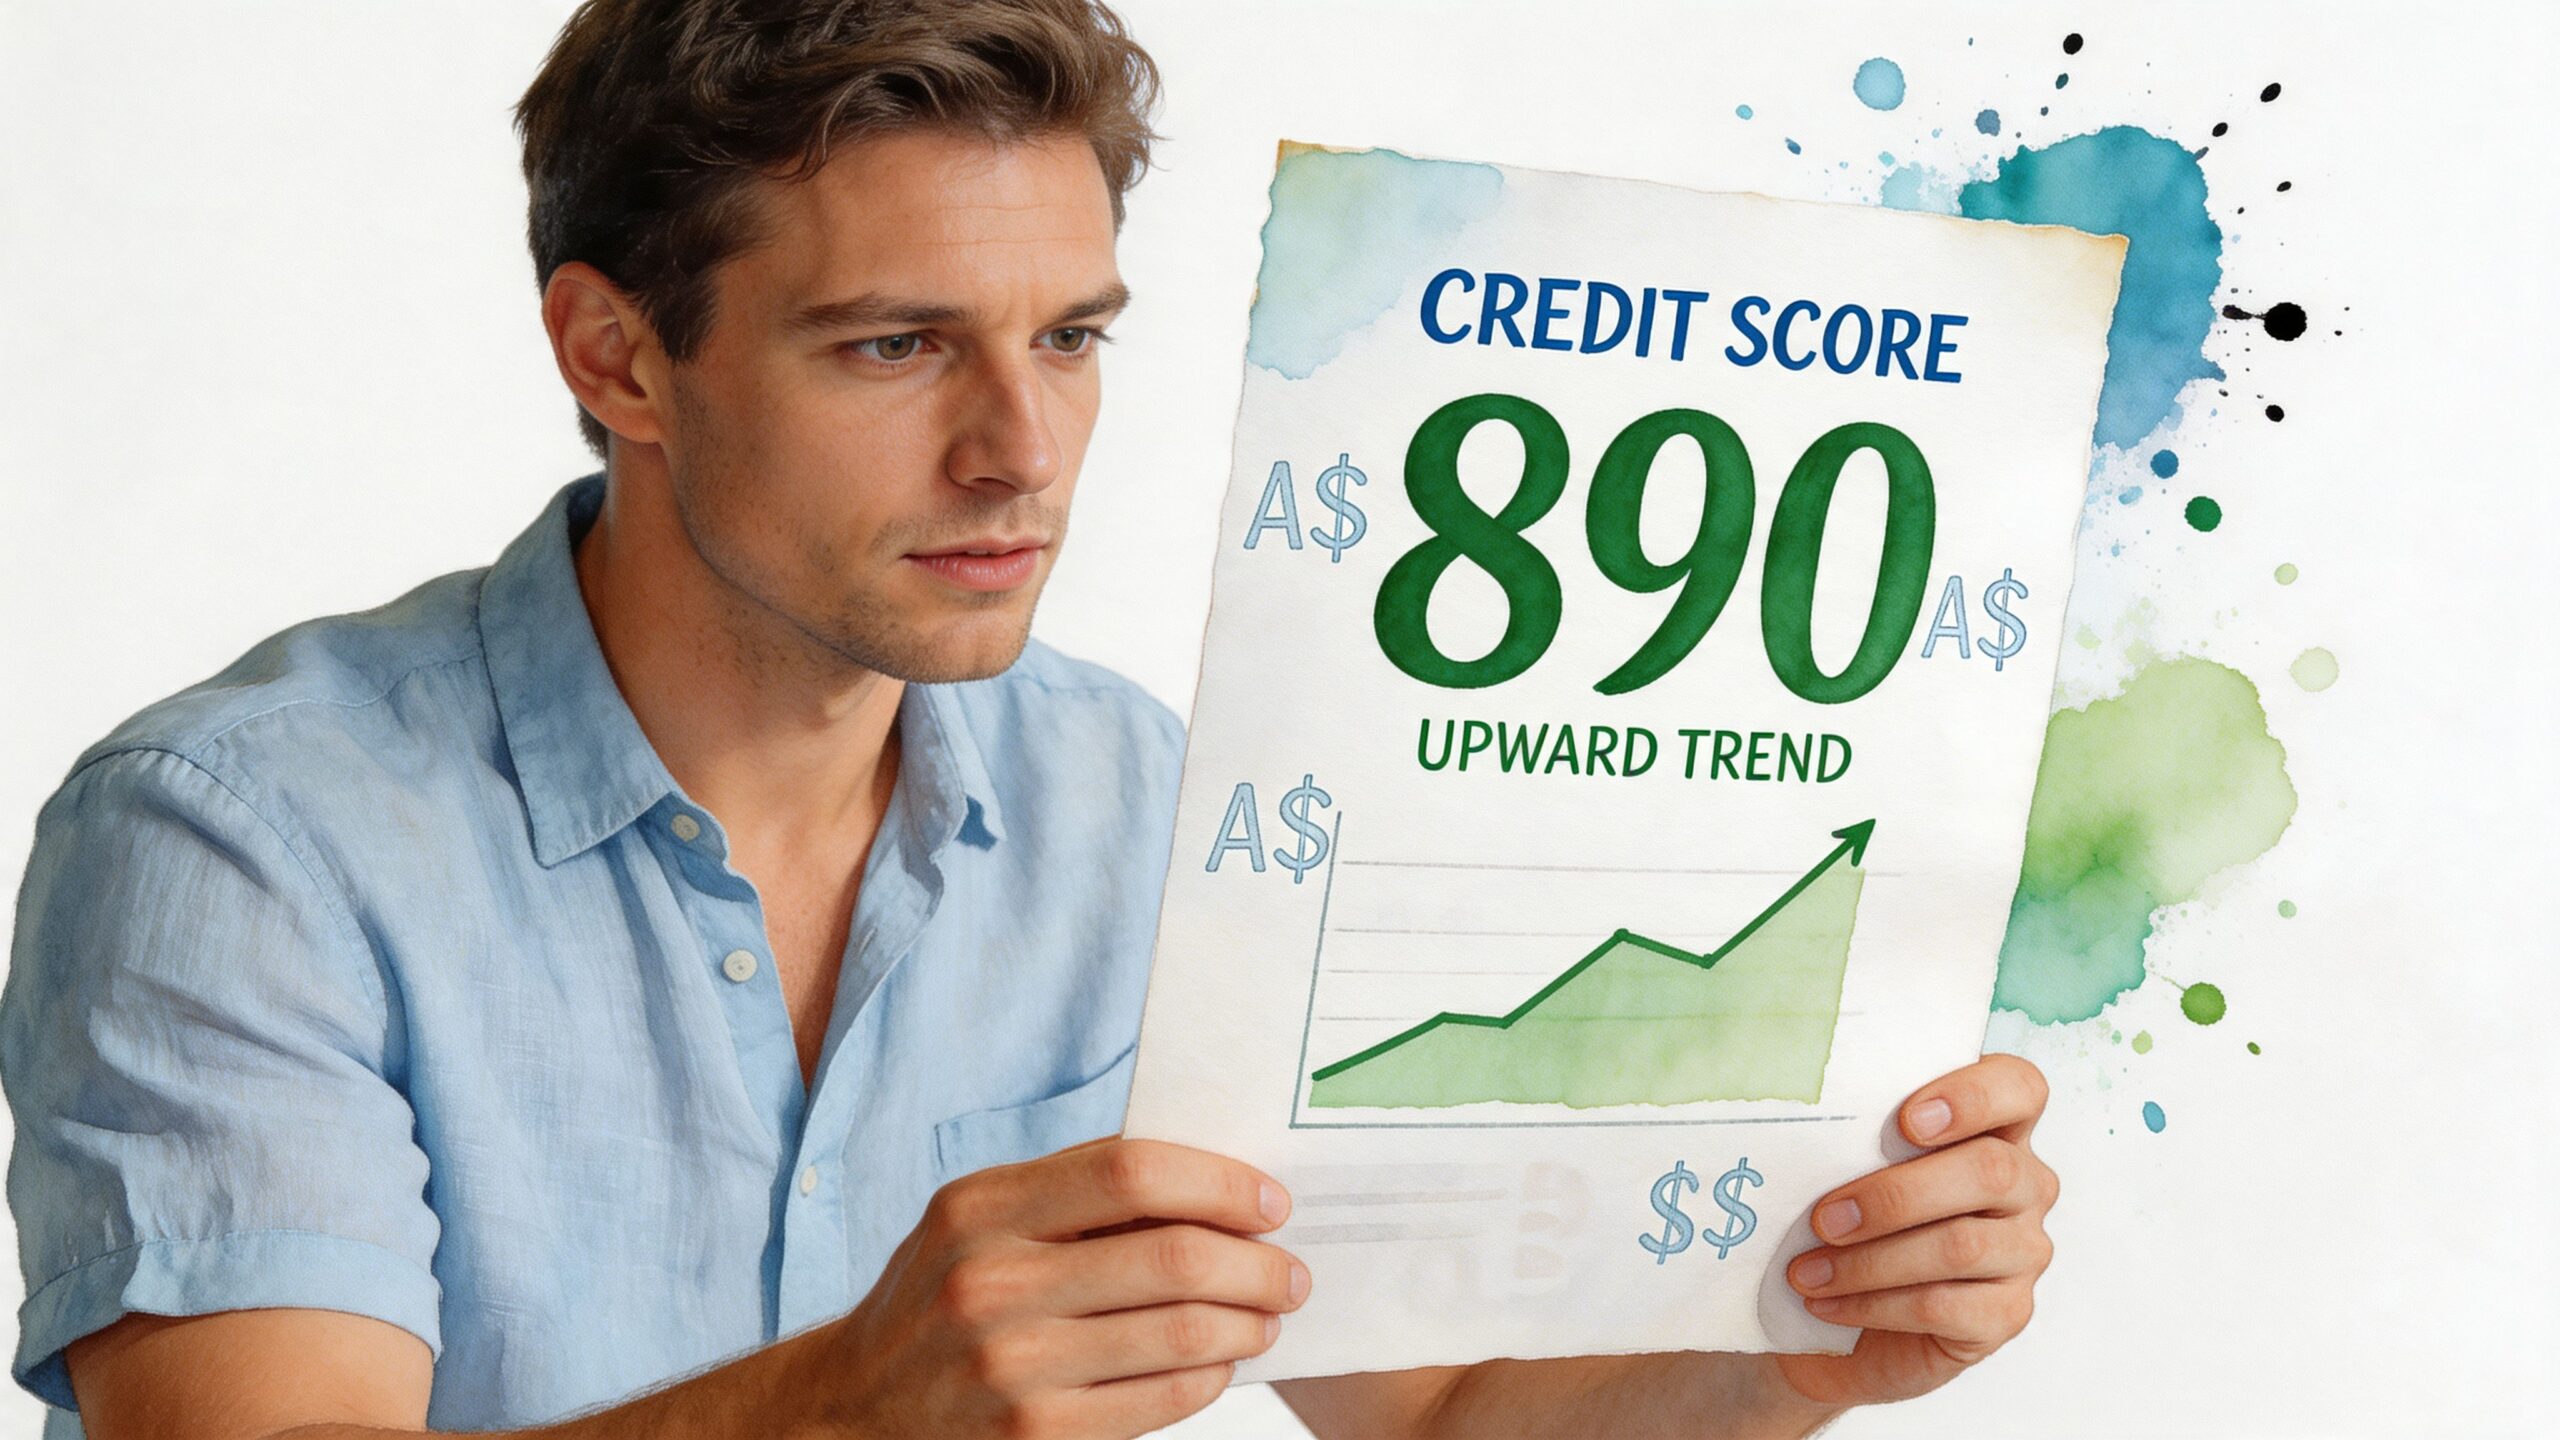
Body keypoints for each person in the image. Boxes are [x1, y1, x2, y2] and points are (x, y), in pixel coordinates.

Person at [0, 1, 2059, 1435]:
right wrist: (844, 1407)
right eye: (891, 344)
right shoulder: (239, 836)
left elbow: (1431, 1418)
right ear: (618, 358)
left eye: (1068, 338)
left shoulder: (1137, 804)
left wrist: (1794, 1343)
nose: (1019, 452)